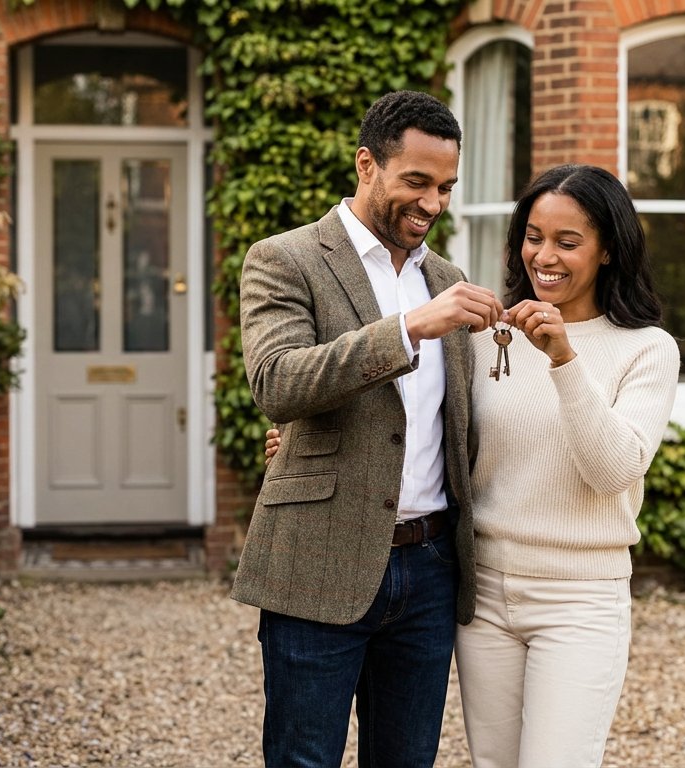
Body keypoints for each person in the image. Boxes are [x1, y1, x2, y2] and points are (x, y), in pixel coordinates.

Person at [266, 163, 680, 767]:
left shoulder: (645, 348)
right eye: (533, 236)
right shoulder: (488, 335)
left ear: (609, 250)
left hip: (580, 599)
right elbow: (427, 426)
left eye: (569, 242)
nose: (546, 256)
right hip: (482, 594)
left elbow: (615, 468)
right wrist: (300, 445)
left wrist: (564, 359)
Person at [232, 90, 503, 768]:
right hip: (318, 555)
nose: (433, 203)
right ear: (367, 164)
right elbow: (277, 382)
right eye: (417, 181)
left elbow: (461, 421)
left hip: (432, 566)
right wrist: (410, 327)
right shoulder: (286, 258)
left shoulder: (447, 277)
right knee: (304, 760)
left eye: (445, 186)